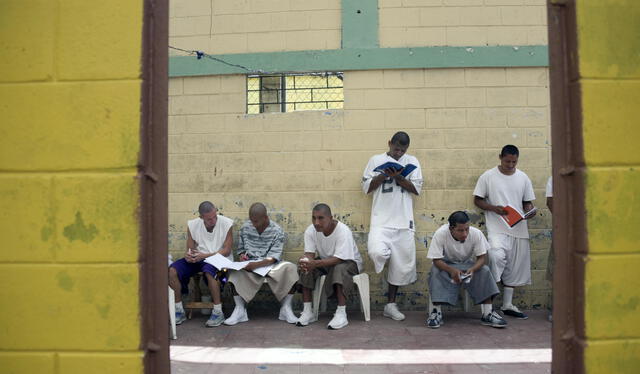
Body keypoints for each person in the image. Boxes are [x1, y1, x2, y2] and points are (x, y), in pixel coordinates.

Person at [361, 131, 423, 321]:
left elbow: (416, 190)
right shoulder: (375, 160)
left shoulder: (412, 161)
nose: (398, 153)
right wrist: (383, 176)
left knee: (400, 267)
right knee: (377, 252)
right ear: (389, 143)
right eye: (396, 149)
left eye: (402, 150)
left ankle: (390, 305)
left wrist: (399, 178)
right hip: (381, 220)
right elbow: (366, 188)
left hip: (404, 220)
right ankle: (385, 262)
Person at [473, 144, 536, 320]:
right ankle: (488, 307)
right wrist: (493, 208)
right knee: (495, 257)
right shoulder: (488, 176)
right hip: (497, 228)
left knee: (515, 268)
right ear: (500, 157)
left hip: (518, 227)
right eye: (507, 161)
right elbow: (477, 200)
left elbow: (527, 202)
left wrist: (530, 211)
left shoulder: (523, 177)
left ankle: (508, 304)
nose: (510, 165)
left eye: (514, 162)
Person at [426, 211, 507, 329]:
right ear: (451, 229)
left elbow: (481, 259)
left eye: (467, 229)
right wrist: (451, 270)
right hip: (447, 264)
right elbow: (436, 260)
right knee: (435, 271)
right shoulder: (441, 234)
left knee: (484, 270)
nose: (465, 234)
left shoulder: (476, 233)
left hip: (468, 265)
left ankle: (487, 313)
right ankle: (436, 313)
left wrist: (473, 269)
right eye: (460, 230)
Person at [224, 203, 299, 325]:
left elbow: (274, 258)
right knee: (233, 271)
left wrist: (256, 265)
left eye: (256, 221)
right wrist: (243, 256)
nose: (254, 224)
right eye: (252, 221)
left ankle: (286, 308)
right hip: (251, 265)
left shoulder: (277, 230)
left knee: (291, 268)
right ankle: (239, 310)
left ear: (265, 217)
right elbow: (241, 250)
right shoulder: (245, 228)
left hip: (272, 266)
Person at [297, 204, 363, 330]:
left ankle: (341, 313)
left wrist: (314, 263)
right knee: (305, 267)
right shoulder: (311, 230)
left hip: (349, 262)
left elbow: (339, 259)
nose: (316, 222)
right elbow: (309, 255)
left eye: (321, 218)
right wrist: (305, 260)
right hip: (326, 262)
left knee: (339, 268)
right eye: (314, 218)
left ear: (331, 218)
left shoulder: (343, 230)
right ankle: (307, 311)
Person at [169, 201, 233, 327]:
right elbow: (190, 249)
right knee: (172, 271)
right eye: (209, 219)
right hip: (200, 258)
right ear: (201, 217)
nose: (213, 220)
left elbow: (226, 251)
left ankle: (218, 312)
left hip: (220, 260)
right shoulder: (193, 225)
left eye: (215, 216)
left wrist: (204, 256)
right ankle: (178, 310)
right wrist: (189, 256)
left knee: (210, 273)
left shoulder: (227, 223)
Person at [545, 176, 554, 322]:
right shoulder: (555, 178)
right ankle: (558, 308)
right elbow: (550, 201)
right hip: (564, 227)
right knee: (556, 268)